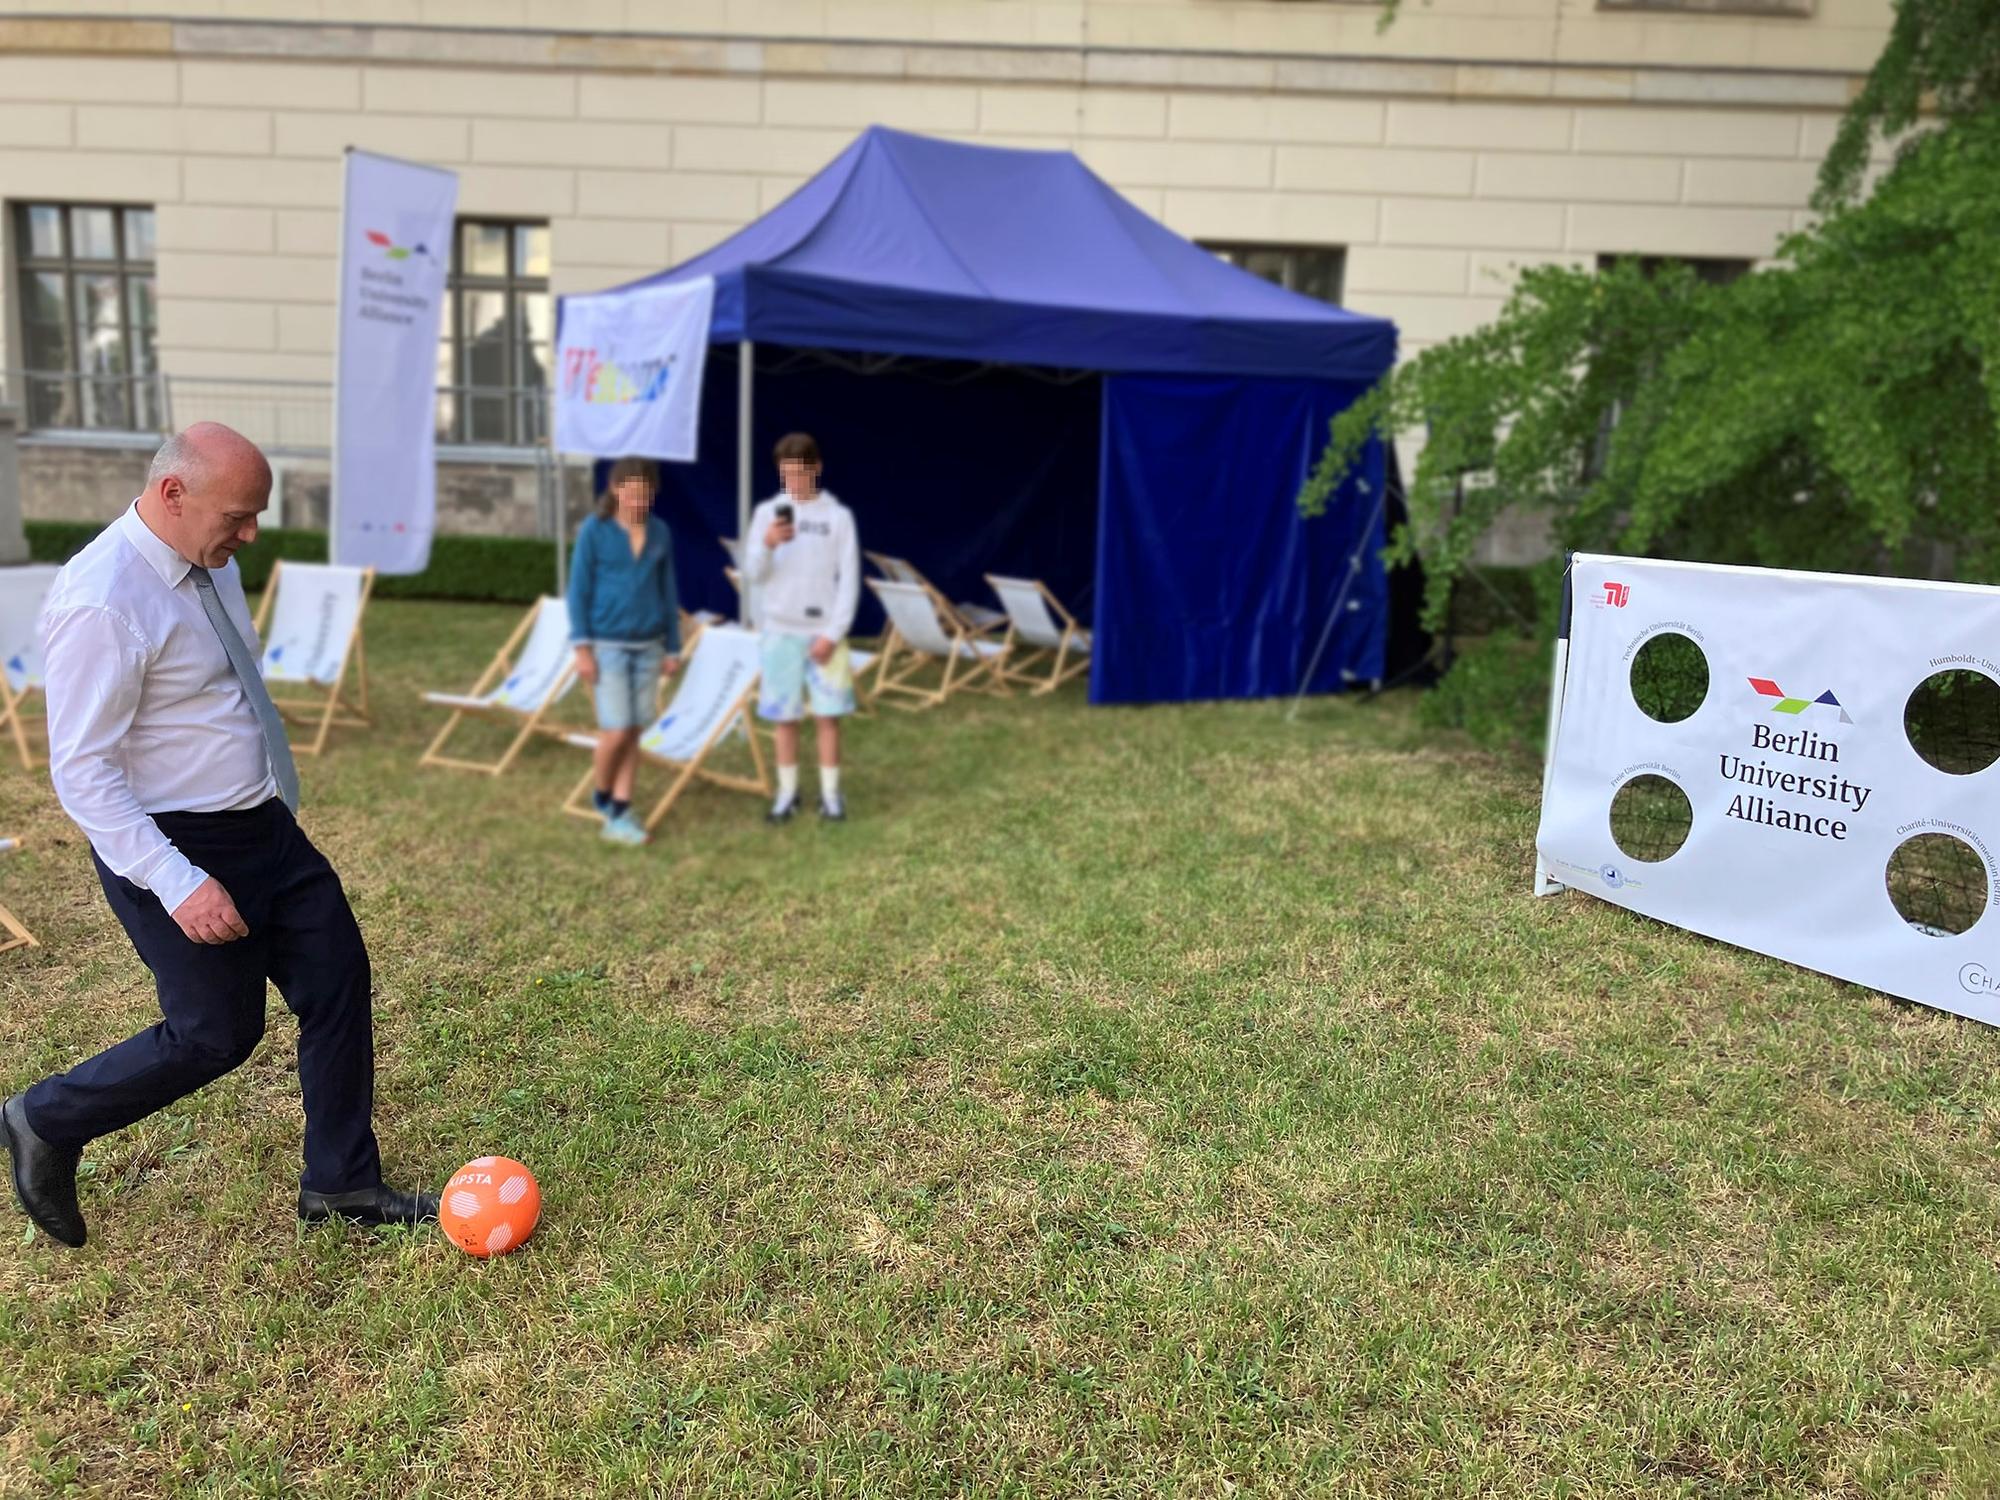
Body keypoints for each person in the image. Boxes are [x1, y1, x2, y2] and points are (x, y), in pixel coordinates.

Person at [2, 423, 436, 1249]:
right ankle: (43, 1119)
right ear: (173, 494)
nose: (251, 535)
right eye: (239, 516)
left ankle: (341, 1184)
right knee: (215, 1034)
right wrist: (180, 882)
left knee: (338, 978)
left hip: (262, 823)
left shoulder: (209, 564)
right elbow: (83, 774)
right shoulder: (104, 599)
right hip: (175, 846)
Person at [741, 432, 861, 822]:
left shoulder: (837, 517)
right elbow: (752, 574)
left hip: (824, 631)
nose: (792, 482)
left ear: (816, 468)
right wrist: (767, 543)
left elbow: (850, 581)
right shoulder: (766, 513)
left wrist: (832, 633)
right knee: (784, 718)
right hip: (779, 630)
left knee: (828, 717)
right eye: (785, 474)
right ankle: (787, 794)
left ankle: (831, 795)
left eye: (799, 473)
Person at [566, 457, 682, 847]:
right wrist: (582, 649)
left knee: (634, 730)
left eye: (646, 489)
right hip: (607, 647)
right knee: (616, 730)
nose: (639, 496)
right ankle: (602, 794)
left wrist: (674, 647)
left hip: (650, 647)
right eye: (631, 488)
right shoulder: (594, 531)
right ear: (616, 489)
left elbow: (668, 594)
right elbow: (578, 592)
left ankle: (621, 806)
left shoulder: (660, 532)